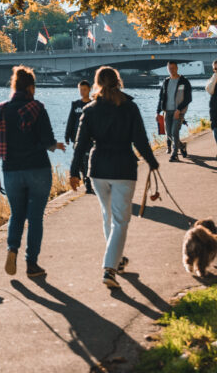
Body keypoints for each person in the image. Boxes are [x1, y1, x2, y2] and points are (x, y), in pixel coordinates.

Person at [69, 66, 159, 289]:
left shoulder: (89, 110)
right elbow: (140, 140)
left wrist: (73, 172)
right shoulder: (129, 107)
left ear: (96, 83)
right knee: (120, 221)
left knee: (107, 216)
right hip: (123, 168)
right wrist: (152, 161)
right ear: (118, 81)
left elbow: (80, 145)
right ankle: (110, 268)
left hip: (98, 169)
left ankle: (116, 260)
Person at [0, 65, 65, 278]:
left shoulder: (0, 111)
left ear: (14, 87)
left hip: (11, 171)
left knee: (17, 214)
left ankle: (12, 248)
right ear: (31, 87)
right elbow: (46, 140)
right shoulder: (37, 108)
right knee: (35, 218)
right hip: (38, 169)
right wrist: (54, 145)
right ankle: (31, 264)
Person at [156, 61, 193, 160]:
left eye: (173, 68)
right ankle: (182, 146)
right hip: (167, 111)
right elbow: (161, 98)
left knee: (174, 132)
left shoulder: (184, 81)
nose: (171, 70)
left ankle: (174, 154)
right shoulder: (166, 81)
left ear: (177, 68)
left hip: (178, 112)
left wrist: (179, 109)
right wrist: (158, 111)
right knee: (169, 134)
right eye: (169, 68)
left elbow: (188, 98)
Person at [64, 80, 94, 194]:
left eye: (84, 89)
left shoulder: (93, 105)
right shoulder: (76, 104)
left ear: (89, 89)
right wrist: (67, 135)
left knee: (87, 160)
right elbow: (71, 120)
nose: (82, 92)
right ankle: (83, 178)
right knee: (79, 161)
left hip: (90, 139)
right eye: (80, 90)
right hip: (76, 138)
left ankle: (88, 183)